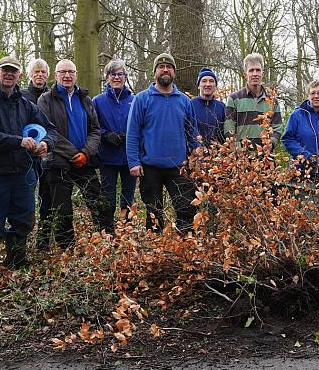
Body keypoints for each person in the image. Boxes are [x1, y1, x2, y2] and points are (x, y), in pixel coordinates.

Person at [0, 56, 57, 273]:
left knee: (24, 220)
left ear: (20, 75)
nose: (9, 74)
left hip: (22, 173)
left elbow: (51, 129)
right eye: (5, 70)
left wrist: (46, 144)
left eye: (14, 71)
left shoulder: (26, 105)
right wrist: (18, 141)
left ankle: (16, 267)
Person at [36, 59, 114, 249]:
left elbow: (95, 130)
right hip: (58, 161)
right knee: (63, 209)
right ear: (55, 75)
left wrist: (85, 153)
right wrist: (74, 153)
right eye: (62, 72)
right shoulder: (45, 99)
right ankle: (66, 248)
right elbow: (48, 131)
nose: (67, 75)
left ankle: (109, 239)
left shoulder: (85, 99)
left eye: (71, 71)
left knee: (99, 201)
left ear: (76, 75)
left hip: (84, 160)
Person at [126, 53, 199, 233]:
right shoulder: (142, 99)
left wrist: (196, 157)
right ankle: (156, 250)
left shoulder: (184, 101)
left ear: (174, 72)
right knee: (153, 211)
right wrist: (134, 162)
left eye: (169, 67)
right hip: (150, 166)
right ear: (155, 72)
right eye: (161, 67)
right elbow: (132, 133)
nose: (165, 70)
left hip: (179, 166)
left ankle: (186, 246)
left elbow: (192, 133)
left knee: (186, 208)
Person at [92, 58, 137, 222]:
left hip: (129, 157)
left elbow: (141, 125)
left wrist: (130, 135)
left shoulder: (134, 100)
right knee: (108, 198)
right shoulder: (97, 101)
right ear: (107, 77)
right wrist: (106, 135)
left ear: (125, 77)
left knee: (128, 198)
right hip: (107, 157)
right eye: (113, 74)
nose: (116, 78)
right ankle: (107, 229)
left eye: (120, 74)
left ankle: (127, 230)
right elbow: (92, 126)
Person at [224, 53, 282, 148]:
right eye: (251, 70)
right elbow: (228, 128)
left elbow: (277, 127)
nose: (255, 74)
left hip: (265, 158)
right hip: (242, 158)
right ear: (245, 75)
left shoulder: (272, 101)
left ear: (262, 74)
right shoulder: (234, 99)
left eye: (258, 70)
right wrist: (238, 148)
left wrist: (271, 143)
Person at [191, 67, 225, 146]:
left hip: (218, 156)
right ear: (198, 85)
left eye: (211, 81)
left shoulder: (221, 107)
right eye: (204, 81)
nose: (208, 84)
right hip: (195, 155)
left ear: (215, 86)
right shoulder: (190, 105)